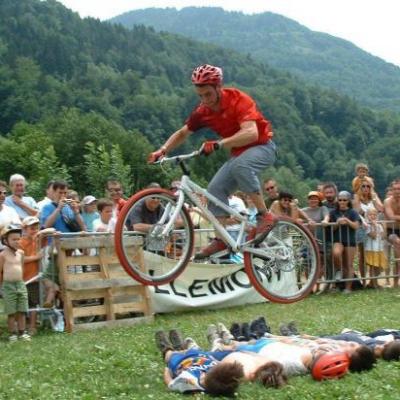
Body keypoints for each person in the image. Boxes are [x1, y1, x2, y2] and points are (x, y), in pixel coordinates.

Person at [148, 64, 277, 260]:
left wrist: (219, 144)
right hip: (237, 155)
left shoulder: (239, 100)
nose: (205, 100)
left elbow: (252, 133)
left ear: (219, 87)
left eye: (208, 94)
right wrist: (163, 149)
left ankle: (264, 215)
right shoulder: (203, 111)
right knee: (214, 189)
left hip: (262, 147)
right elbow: (183, 132)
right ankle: (221, 239)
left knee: (241, 165)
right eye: (200, 96)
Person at [19, 216, 56, 334]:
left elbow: (52, 230)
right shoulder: (20, 242)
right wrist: (36, 257)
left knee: (34, 302)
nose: (34, 230)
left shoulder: (39, 239)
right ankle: (22, 326)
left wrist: (40, 232)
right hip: (25, 277)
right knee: (24, 303)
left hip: (36, 277)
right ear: (24, 229)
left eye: (36, 227)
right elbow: (21, 258)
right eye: (31, 228)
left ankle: (33, 326)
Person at [322, 191, 360, 293]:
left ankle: (348, 288)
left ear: (348, 201)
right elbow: (331, 228)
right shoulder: (333, 213)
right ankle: (339, 270)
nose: (342, 202)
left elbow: (356, 226)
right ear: (337, 201)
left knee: (349, 265)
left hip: (350, 240)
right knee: (336, 253)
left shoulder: (353, 212)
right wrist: (337, 223)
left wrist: (347, 221)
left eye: (344, 200)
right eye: (340, 200)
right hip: (337, 239)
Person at [0, 224, 31, 341]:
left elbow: (21, 267)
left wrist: (21, 281)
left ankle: (22, 332)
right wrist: (1, 287)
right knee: (11, 312)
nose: (17, 241)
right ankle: (12, 333)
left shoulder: (21, 253)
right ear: (5, 240)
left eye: (19, 239)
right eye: (13, 239)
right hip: (8, 286)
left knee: (22, 310)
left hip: (20, 284)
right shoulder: (2, 255)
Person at [364, 208, 388, 288]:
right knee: (373, 267)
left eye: (374, 214)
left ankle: (372, 283)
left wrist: (384, 227)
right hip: (371, 249)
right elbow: (373, 236)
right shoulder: (367, 225)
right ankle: (374, 284)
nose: (373, 216)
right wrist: (374, 226)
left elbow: (383, 236)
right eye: (370, 215)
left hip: (379, 249)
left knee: (379, 267)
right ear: (367, 216)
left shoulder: (379, 225)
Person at [384, 178, 400, 288]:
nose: (397, 191)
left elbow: (395, 217)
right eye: (395, 189)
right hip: (392, 231)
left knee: (398, 257)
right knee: (397, 245)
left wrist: (397, 217)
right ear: (392, 190)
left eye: (399, 189)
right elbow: (391, 217)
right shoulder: (388, 201)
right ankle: (393, 282)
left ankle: (395, 283)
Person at [0, 180, 20, 251]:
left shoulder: (10, 210)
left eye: (4, 193)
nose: (2, 195)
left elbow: (17, 228)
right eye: (0, 193)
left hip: (8, 251)